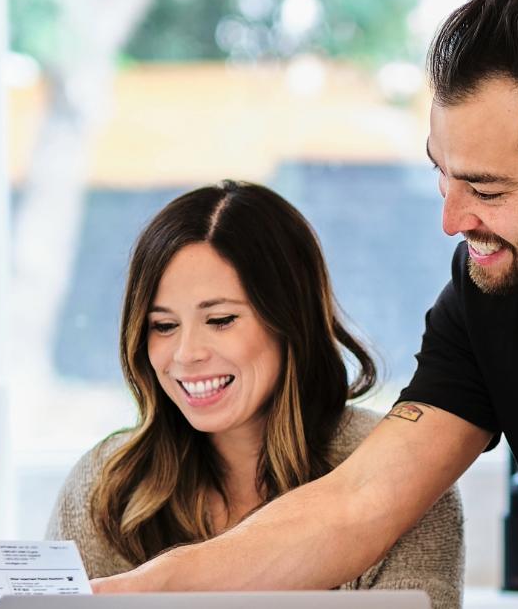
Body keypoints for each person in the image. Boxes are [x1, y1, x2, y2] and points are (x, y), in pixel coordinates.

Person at [91, 0, 518, 607]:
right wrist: (120, 595)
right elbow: (358, 505)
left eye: (487, 189)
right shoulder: (494, 281)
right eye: (441, 173)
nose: (451, 220)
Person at [46, 181, 466, 607]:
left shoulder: (404, 478)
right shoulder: (106, 487)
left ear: (289, 321)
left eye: (222, 319)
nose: (187, 354)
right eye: (164, 326)